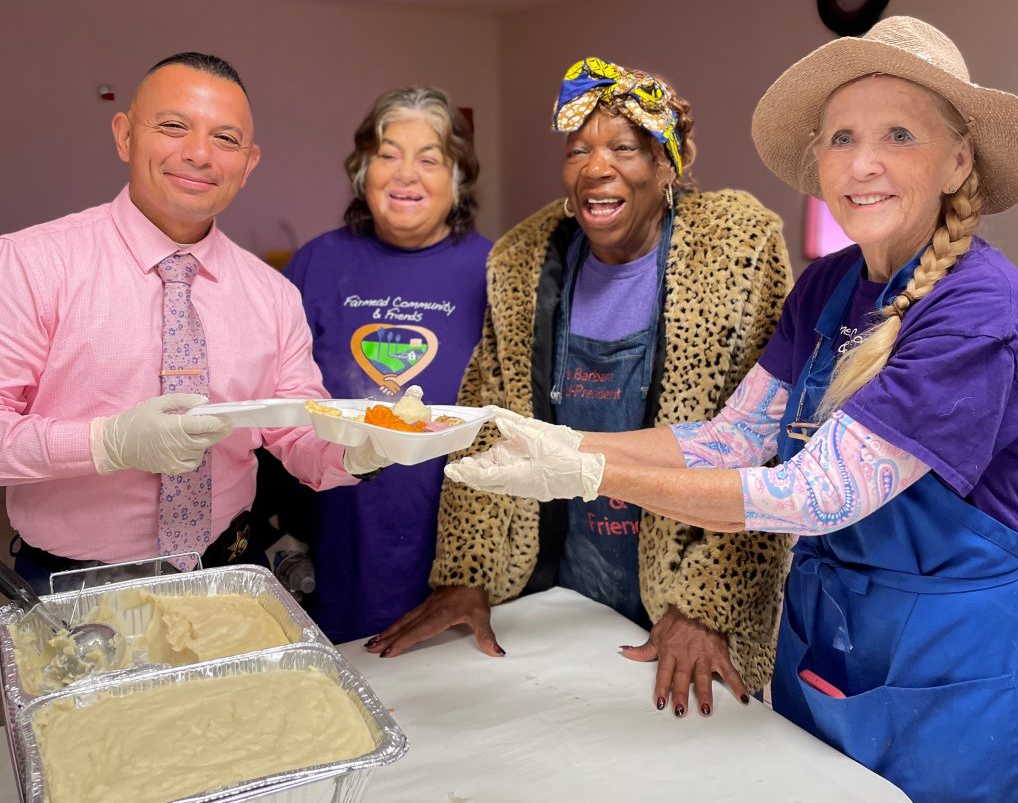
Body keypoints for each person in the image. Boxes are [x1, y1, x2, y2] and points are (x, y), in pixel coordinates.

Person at [444, 18, 1018, 800]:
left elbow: (812, 494)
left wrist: (584, 469)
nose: (864, 163)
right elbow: (735, 437)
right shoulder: (830, 284)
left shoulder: (978, 306)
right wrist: (553, 435)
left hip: (947, 664)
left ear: (959, 161)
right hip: (823, 629)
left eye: (899, 136)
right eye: (842, 137)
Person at [369, 57, 794, 718]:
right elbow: (488, 428)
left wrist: (706, 610)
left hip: (683, 595)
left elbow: (762, 448)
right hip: (560, 586)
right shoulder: (521, 264)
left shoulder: (735, 253)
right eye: (578, 150)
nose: (596, 167)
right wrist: (467, 577)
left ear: (667, 166)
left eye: (624, 148)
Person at [0, 52, 386, 594]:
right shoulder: (29, 264)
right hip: (73, 586)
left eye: (225, 140)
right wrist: (108, 443)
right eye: (174, 127)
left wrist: (360, 449)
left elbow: (295, 429)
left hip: (230, 570)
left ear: (248, 164)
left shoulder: (272, 294)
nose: (199, 154)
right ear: (125, 136)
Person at [281, 87, 490, 643]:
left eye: (430, 158)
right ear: (362, 171)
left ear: (458, 179)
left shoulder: (495, 270)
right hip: (335, 532)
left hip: (452, 545)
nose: (406, 175)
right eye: (388, 154)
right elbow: (275, 403)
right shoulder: (316, 263)